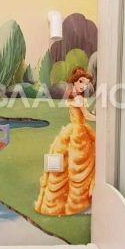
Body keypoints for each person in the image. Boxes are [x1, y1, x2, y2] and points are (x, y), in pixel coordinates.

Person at [35, 67, 95, 216]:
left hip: (72, 130)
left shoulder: (72, 98)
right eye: (81, 81)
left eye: (86, 83)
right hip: (79, 132)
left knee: (66, 163)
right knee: (80, 163)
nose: (83, 85)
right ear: (74, 82)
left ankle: (63, 200)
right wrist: (101, 117)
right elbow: (87, 116)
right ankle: (80, 201)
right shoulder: (78, 99)